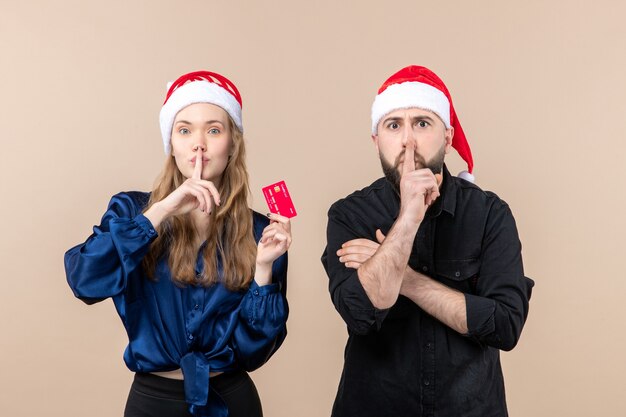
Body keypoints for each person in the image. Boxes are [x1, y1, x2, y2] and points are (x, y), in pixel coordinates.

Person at [65, 70, 291, 417]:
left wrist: (263, 269)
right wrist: (161, 212)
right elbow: (85, 281)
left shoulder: (262, 230)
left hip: (231, 401)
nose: (198, 144)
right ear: (170, 143)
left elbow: (254, 354)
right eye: (184, 130)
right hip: (152, 401)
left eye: (214, 130)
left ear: (232, 145)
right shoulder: (132, 210)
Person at [321, 65, 534, 417]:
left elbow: (504, 325)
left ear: (448, 138)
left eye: (422, 123)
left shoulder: (490, 214)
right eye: (394, 125)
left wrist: (405, 279)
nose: (408, 140)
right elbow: (361, 314)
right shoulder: (349, 214)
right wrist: (407, 219)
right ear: (377, 141)